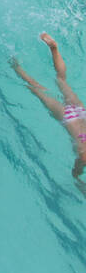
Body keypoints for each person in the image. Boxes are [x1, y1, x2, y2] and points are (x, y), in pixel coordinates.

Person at [11, 34, 86, 189]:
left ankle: (54, 48)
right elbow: (76, 171)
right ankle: (14, 65)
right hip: (69, 119)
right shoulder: (84, 157)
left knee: (61, 80)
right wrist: (78, 180)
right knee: (37, 89)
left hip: (81, 112)